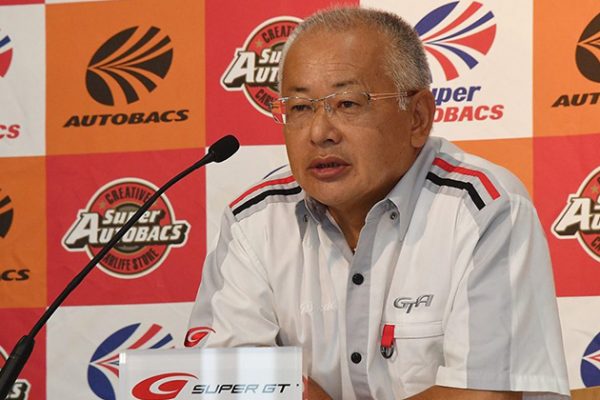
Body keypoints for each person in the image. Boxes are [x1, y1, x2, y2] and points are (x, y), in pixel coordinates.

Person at [186, 6, 570, 400]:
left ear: (418, 117)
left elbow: (481, 395)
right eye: (300, 108)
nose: (319, 132)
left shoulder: (482, 209)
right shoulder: (254, 220)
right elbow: (221, 381)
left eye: (348, 103)